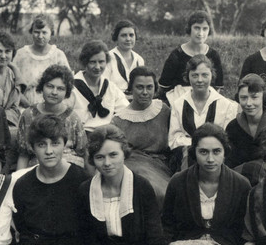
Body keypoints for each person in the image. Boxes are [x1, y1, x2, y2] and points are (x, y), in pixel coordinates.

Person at [3, 115, 89, 245]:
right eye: (42, 144)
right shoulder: (22, 185)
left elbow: (88, 229)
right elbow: (22, 226)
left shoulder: (81, 182)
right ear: (32, 148)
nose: (49, 151)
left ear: (65, 144)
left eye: (55, 143)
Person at [162, 123, 251, 245]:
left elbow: (242, 230)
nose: (210, 159)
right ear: (194, 152)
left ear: (225, 152)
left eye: (216, 152)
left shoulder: (240, 184)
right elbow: (167, 224)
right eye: (203, 152)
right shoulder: (178, 181)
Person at [77, 124, 167, 245]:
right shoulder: (86, 191)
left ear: (124, 154)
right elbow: (83, 240)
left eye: (113, 155)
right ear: (92, 160)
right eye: (99, 157)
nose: (107, 163)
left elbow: (155, 239)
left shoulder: (142, 187)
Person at [112, 66, 172, 207]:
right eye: (139, 87)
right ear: (131, 89)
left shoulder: (164, 110)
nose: (145, 92)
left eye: (149, 87)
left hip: (161, 164)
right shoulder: (119, 120)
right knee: (152, 190)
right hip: (134, 164)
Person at [168, 55, 238, 171]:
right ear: (187, 77)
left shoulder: (226, 105)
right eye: (194, 75)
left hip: (216, 157)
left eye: (204, 75)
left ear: (212, 75)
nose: (200, 80)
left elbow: (227, 140)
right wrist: (197, 146)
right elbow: (174, 139)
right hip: (186, 157)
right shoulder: (178, 104)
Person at [16, 64, 87, 171]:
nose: (54, 92)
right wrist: (17, 181)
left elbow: (83, 152)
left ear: (66, 92)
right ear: (42, 87)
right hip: (38, 166)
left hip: (69, 167)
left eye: (60, 89)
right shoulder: (28, 115)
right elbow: (23, 154)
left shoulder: (73, 118)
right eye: (50, 86)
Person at [159, 10, 224, 105]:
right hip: (179, 101)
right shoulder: (177, 55)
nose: (200, 33)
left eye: (205, 29)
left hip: (207, 101)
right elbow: (164, 87)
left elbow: (217, 87)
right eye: (197, 28)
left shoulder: (213, 55)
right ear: (190, 29)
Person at [225, 74, 266, 185]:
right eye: (244, 98)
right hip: (239, 182)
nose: (249, 103)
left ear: (263, 97)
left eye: (254, 97)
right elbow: (229, 162)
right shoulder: (233, 126)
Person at [12, 14, 71, 107]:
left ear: (51, 34)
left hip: (53, 107)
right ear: (31, 32)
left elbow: (68, 85)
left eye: (44, 32)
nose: (40, 36)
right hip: (24, 105)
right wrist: (29, 107)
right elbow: (12, 86)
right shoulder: (21, 54)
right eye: (36, 32)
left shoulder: (58, 55)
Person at [71, 40, 129, 133]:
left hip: (107, 134)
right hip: (82, 135)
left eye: (101, 62)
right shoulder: (72, 87)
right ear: (85, 62)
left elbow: (126, 110)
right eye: (93, 62)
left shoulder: (110, 87)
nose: (97, 67)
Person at [104, 20, 145, 96]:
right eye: (124, 35)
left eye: (131, 35)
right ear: (116, 37)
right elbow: (104, 87)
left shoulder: (139, 60)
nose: (128, 39)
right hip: (114, 101)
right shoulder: (108, 58)